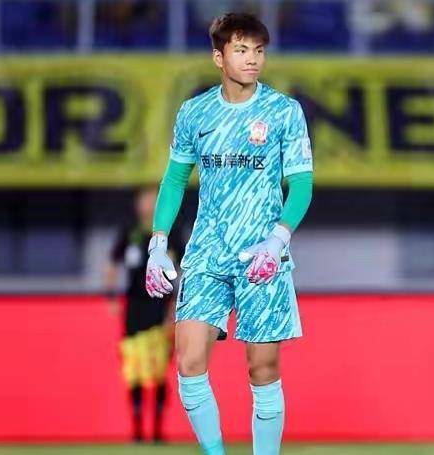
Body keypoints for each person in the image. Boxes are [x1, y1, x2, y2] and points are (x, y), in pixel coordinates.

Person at [144, 12, 314, 455]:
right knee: (189, 362)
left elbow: (301, 186)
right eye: (241, 50)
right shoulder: (194, 113)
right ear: (218, 57)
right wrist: (158, 243)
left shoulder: (283, 112)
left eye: (258, 51)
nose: (252, 59)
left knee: (263, 368)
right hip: (207, 254)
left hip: (262, 257)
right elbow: (174, 181)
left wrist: (277, 241)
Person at [104, 186, 183, 443]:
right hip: (134, 310)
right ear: (138, 206)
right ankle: (137, 429)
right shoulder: (130, 232)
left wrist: (177, 305)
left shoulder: (172, 233)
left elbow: (185, 269)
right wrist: (110, 296)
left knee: (159, 371)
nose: (149, 205)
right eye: (145, 201)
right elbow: (112, 264)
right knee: (134, 370)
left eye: (154, 200)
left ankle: (157, 430)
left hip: (161, 308)